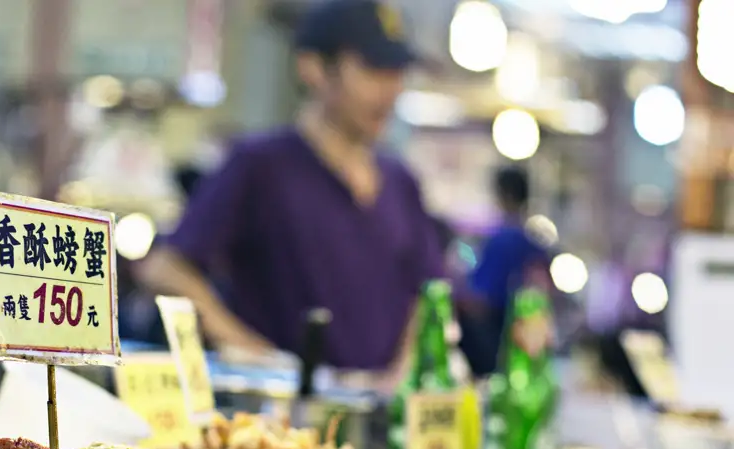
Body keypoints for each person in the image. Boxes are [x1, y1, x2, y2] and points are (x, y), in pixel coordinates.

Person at [137, 0, 442, 375]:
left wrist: (399, 375)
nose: (391, 90)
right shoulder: (262, 164)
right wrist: (253, 354)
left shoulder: (400, 181)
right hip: (281, 419)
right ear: (313, 68)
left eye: (397, 73)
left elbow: (427, 294)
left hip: (375, 416)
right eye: (373, 70)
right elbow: (166, 269)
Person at [459, 166, 549, 374]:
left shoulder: (501, 240)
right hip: (528, 337)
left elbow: (481, 297)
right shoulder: (533, 242)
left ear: (504, 194)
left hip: (496, 335)